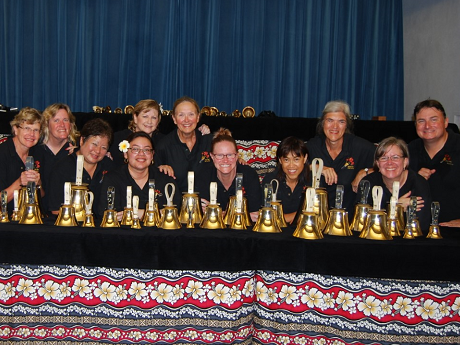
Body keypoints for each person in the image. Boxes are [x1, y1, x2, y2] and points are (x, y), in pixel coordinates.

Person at [306, 100, 375, 215]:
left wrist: (366, 171)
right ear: (322, 123)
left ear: (347, 125)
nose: (335, 127)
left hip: (350, 220)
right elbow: (289, 168)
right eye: (330, 120)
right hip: (316, 219)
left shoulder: (361, 147)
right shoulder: (312, 146)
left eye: (341, 121)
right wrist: (317, 167)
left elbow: (389, 166)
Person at [96, 131, 180, 220]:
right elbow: (106, 214)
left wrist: (135, 213)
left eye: (146, 150)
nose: (141, 153)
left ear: (152, 155)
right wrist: (155, 214)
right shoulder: (112, 179)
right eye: (135, 149)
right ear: (125, 154)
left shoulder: (164, 178)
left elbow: (173, 213)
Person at [360, 137, 431, 231]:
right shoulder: (368, 183)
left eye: (395, 157)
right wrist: (396, 208)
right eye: (384, 158)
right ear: (377, 163)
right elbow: (362, 224)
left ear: (405, 161)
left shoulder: (419, 185)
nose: (389, 163)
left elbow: (421, 227)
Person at [408, 99, 460, 226]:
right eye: (421, 121)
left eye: (434, 119)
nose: (427, 126)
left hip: (453, 233)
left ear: (446, 122)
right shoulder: (409, 150)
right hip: (419, 231)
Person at [48, 118, 114, 216]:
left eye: (103, 148)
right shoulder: (62, 168)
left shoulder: (109, 166)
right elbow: (55, 209)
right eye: (94, 144)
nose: (98, 151)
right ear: (82, 140)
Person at [195, 128, 262, 222]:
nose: (225, 160)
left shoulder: (249, 175)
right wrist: (238, 215)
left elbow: (255, 214)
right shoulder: (203, 174)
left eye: (230, 155)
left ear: (237, 156)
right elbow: (201, 213)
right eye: (219, 155)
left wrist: (218, 213)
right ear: (212, 157)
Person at [154, 96, 213, 192]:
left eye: (191, 114)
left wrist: (239, 160)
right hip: (175, 203)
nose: (186, 120)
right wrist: (159, 169)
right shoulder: (163, 146)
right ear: (174, 118)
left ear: (198, 117)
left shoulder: (209, 141)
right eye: (181, 115)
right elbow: (153, 176)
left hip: (207, 202)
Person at [33, 103, 79, 213]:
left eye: (66, 120)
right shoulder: (35, 150)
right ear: (46, 125)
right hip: (39, 214)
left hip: (68, 215)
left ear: (71, 125)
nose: (62, 125)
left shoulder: (79, 150)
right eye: (56, 120)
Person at [0, 107, 44, 212]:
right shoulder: (2, 154)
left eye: (36, 130)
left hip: (29, 217)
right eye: (27, 128)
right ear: (15, 129)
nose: (31, 134)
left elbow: (42, 195)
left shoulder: (39, 153)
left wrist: (38, 184)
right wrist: (19, 183)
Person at [261, 136, 310, 224]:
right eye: (286, 160)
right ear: (280, 160)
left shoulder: (312, 181)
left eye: (296, 159)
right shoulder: (270, 181)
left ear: (305, 158)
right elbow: (268, 217)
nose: (291, 165)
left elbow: (319, 215)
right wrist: (299, 215)